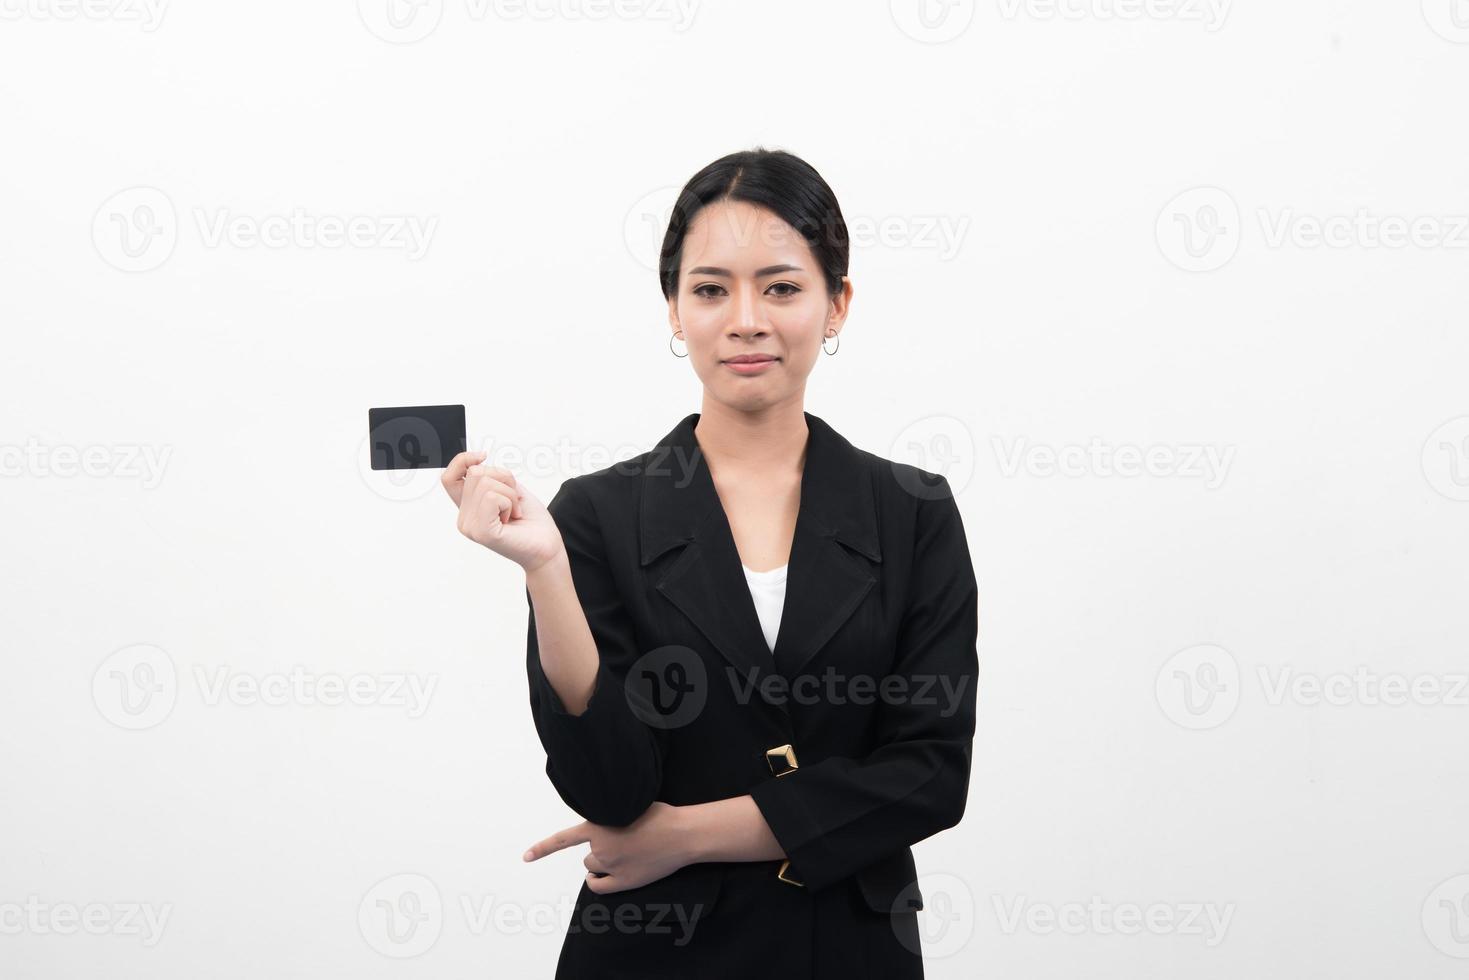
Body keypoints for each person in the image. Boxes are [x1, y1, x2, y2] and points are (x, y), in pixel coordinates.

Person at [441, 147, 979, 979]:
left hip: (846, 946)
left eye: (782, 286)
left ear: (837, 306)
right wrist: (545, 569)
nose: (745, 318)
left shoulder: (912, 512)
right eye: (709, 288)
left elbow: (929, 776)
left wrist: (685, 836)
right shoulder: (594, 515)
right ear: (672, 310)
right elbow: (609, 789)